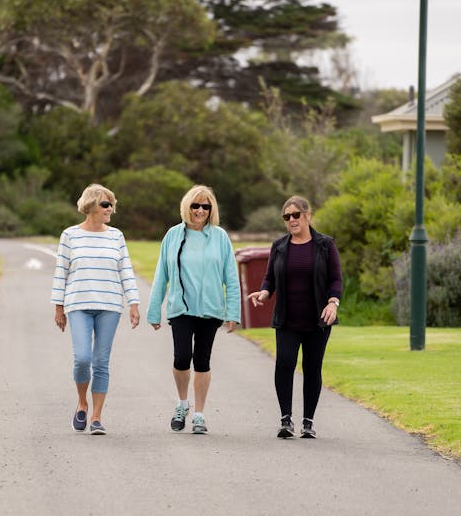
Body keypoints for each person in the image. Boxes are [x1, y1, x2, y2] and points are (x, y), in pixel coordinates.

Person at [147, 185, 241, 434]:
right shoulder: (173, 235)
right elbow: (161, 276)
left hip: (210, 310)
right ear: (187, 207)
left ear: (212, 210)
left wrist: (233, 313)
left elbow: (231, 278)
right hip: (180, 308)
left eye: (206, 206)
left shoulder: (220, 237)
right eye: (196, 205)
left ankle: (199, 414)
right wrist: (154, 310)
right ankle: (182, 403)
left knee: (202, 360)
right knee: (181, 358)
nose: (200, 210)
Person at [247, 195, 342, 439]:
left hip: (317, 320)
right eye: (287, 217)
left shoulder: (325, 245)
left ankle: (308, 422)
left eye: (296, 215)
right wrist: (265, 292)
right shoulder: (279, 246)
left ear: (308, 215)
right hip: (288, 319)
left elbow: (335, 279)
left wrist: (333, 303)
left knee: (312, 368)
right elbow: (270, 277)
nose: (291, 220)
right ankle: (285, 419)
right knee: (285, 364)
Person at [52, 183, 140, 436]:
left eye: (112, 204)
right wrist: (59, 307)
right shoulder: (70, 235)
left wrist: (133, 303)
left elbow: (126, 271)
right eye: (105, 204)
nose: (110, 208)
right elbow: (61, 273)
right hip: (78, 304)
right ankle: (82, 403)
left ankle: (97, 417)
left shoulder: (116, 236)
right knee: (82, 359)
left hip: (110, 306)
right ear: (90, 206)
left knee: (101, 361)